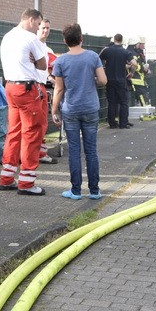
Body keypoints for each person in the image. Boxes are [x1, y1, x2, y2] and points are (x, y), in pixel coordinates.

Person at [51, 23, 107, 201]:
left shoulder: (60, 61)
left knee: (74, 151)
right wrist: (91, 79)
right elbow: (103, 81)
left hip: (71, 110)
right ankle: (94, 190)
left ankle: (75, 191)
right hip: (90, 108)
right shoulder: (92, 57)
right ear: (81, 38)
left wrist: (54, 110)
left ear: (65, 41)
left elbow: (59, 89)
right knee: (91, 150)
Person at [0, 8, 49, 195]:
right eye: (37, 24)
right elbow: (43, 65)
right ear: (30, 20)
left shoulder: (7, 37)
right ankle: (26, 183)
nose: (38, 28)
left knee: (14, 132)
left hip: (10, 87)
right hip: (27, 89)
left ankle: (7, 177)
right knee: (31, 133)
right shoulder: (30, 38)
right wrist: (35, 61)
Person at [36, 18, 59, 165]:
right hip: (35, 88)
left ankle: (40, 152)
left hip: (41, 88)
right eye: (43, 28)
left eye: (48, 28)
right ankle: (37, 153)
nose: (45, 31)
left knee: (41, 123)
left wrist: (50, 77)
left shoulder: (47, 49)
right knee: (37, 123)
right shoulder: (34, 45)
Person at [99, 33, 133, 129]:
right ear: (122, 40)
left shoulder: (107, 51)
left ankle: (112, 124)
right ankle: (123, 123)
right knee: (123, 102)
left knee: (112, 102)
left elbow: (97, 59)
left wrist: (102, 70)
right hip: (121, 80)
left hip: (109, 80)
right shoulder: (125, 52)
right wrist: (131, 72)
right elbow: (134, 63)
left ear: (114, 40)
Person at [127, 36, 151, 107]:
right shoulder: (132, 53)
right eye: (139, 44)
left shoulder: (135, 52)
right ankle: (145, 109)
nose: (142, 46)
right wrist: (143, 69)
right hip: (135, 77)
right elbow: (135, 65)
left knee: (142, 93)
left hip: (138, 76)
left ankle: (146, 108)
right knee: (142, 93)